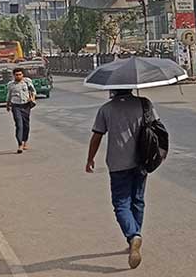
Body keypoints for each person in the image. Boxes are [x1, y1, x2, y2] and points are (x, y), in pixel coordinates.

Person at [86, 89, 153, 269]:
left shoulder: (106, 109)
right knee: (138, 200)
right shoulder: (144, 103)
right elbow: (155, 128)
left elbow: (97, 136)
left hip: (118, 163)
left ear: (112, 90)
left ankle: (133, 236)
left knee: (121, 204)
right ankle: (135, 236)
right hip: (141, 160)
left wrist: (90, 158)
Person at [6, 67, 36, 154]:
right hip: (16, 106)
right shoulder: (11, 84)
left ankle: (25, 141)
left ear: (22, 75)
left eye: (20, 74)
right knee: (19, 125)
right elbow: (9, 95)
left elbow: (33, 91)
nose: (18, 76)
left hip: (26, 105)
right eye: (16, 75)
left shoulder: (27, 82)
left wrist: (32, 99)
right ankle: (20, 144)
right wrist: (7, 104)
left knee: (26, 125)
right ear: (13, 75)